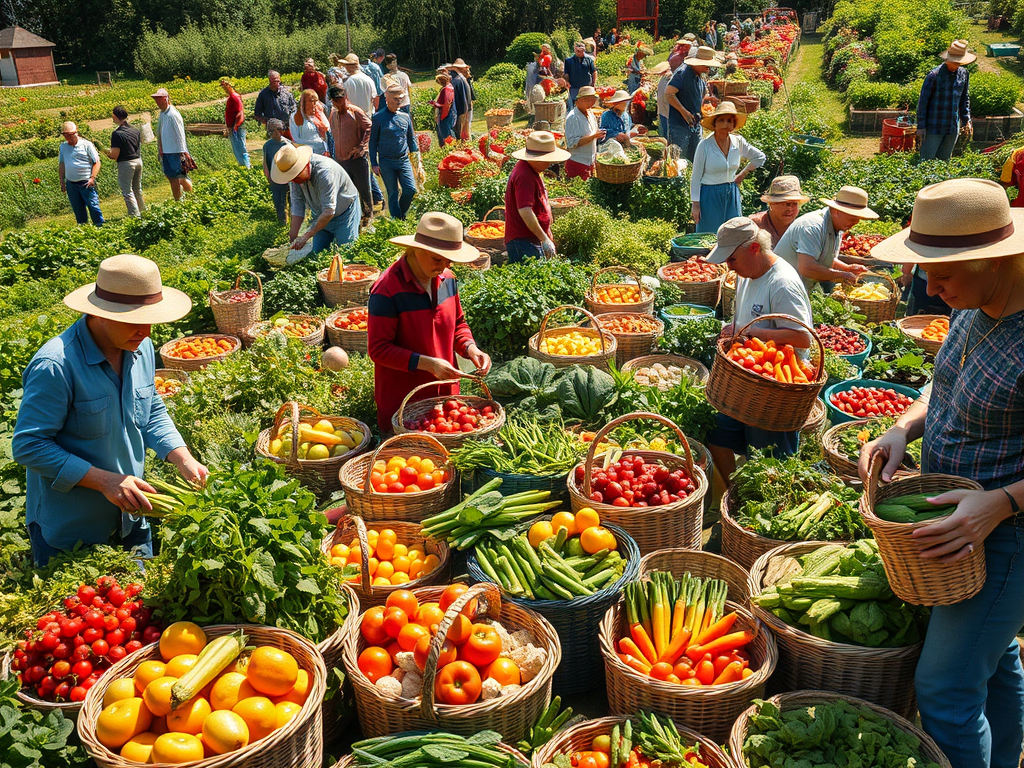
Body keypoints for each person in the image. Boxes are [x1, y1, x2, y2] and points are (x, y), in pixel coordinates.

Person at [857, 178, 1024, 768]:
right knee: (995, 660)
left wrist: (1002, 503)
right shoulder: (975, 307)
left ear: (992, 260)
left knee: (945, 690)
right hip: (954, 527)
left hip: (1001, 539)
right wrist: (902, 426)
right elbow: (943, 385)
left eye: (943, 274)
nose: (930, 286)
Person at [12, 254, 208, 567]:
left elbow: (151, 406)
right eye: (134, 320)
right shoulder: (56, 366)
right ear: (101, 314)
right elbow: (28, 446)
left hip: (132, 515)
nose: (145, 330)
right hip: (72, 531)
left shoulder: (138, 345)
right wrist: (106, 482)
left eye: (150, 319)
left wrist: (182, 457)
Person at [703, 217, 813, 480]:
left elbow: (803, 338)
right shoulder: (746, 273)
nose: (729, 266)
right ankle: (736, 491)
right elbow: (744, 317)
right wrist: (734, 329)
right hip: (747, 381)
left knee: (770, 463)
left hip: (776, 390)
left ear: (753, 248)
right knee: (715, 432)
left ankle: (765, 505)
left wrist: (752, 332)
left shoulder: (782, 283)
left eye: (731, 259)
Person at [367, 212, 492, 433]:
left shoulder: (447, 279)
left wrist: (470, 348)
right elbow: (379, 349)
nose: (443, 266)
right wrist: (429, 364)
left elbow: (458, 324)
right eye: (437, 259)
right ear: (415, 250)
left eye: (448, 260)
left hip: (446, 400)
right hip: (405, 400)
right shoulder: (387, 289)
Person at [775, 186, 876, 292]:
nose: (856, 223)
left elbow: (824, 259)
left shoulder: (837, 227)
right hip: (779, 289)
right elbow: (807, 268)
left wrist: (847, 268)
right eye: (852, 218)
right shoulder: (812, 226)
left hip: (796, 288)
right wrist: (841, 275)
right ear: (836, 211)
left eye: (858, 219)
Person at [690, 101, 765, 234]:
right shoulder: (705, 145)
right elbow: (695, 176)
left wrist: (743, 174)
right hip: (709, 194)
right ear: (715, 123)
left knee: (734, 232)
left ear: (734, 124)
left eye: (730, 121)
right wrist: (695, 204)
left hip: (731, 192)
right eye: (722, 120)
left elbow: (759, 157)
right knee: (709, 234)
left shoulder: (738, 142)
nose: (726, 124)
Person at [273, 142, 361, 255]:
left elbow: (329, 211)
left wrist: (306, 236)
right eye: (291, 178)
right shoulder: (295, 178)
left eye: (296, 176)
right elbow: (297, 204)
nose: (295, 181)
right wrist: (293, 234)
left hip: (344, 213)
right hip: (320, 213)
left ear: (304, 165)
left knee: (347, 253)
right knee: (317, 254)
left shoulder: (325, 173)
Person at [503, 131, 570, 263]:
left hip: (530, 239)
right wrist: (543, 238)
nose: (549, 164)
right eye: (547, 160)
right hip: (523, 241)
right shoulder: (524, 176)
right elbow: (525, 211)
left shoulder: (532, 170)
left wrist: (546, 234)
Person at [917, 40, 974, 162]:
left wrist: (966, 119)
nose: (956, 64)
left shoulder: (964, 74)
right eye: (954, 61)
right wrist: (921, 126)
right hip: (934, 126)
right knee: (927, 160)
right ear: (947, 59)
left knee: (944, 160)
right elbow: (923, 102)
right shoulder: (934, 75)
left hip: (952, 127)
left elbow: (964, 98)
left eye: (959, 62)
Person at [370, 84, 419, 220]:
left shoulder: (405, 117)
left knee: (410, 189)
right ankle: (398, 221)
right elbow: (373, 142)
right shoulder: (378, 118)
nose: (398, 102)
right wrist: (374, 163)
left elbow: (411, 139)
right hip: (386, 161)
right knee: (392, 192)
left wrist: (417, 159)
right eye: (395, 99)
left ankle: (399, 216)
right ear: (387, 99)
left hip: (403, 160)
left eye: (400, 99)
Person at [665, 46, 721, 162]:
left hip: (695, 124)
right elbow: (669, 94)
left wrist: (709, 99)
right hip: (680, 125)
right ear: (697, 63)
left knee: (695, 157)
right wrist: (684, 112)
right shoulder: (683, 73)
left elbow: (694, 95)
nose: (708, 68)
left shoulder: (698, 76)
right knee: (679, 159)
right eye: (705, 65)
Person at [329, 85, 374, 228]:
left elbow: (369, 127)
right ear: (332, 101)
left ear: (345, 97)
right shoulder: (333, 114)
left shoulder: (355, 112)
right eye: (336, 100)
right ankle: (354, 219)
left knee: (364, 189)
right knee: (348, 191)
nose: (340, 102)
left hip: (357, 159)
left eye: (342, 99)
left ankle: (368, 219)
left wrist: (362, 146)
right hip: (341, 160)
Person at [58, 121, 104, 226]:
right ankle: (83, 228)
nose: (67, 138)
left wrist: (92, 178)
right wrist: (62, 180)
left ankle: (100, 225)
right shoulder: (63, 147)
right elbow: (62, 164)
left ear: (75, 133)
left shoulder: (86, 145)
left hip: (86, 182)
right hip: (71, 184)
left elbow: (96, 162)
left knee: (93, 206)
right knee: (78, 208)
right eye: (65, 135)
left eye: (69, 135)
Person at [152, 88, 193, 202]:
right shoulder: (162, 114)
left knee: (174, 178)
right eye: (156, 100)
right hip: (166, 151)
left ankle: (178, 201)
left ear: (166, 99)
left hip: (175, 151)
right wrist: (160, 148)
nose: (157, 103)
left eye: (159, 100)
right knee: (173, 177)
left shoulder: (173, 114)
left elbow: (180, 134)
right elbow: (160, 133)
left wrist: (183, 152)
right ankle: (187, 192)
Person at [103, 107, 144, 218]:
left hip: (126, 163)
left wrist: (105, 151)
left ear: (116, 117)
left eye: (113, 116)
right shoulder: (135, 130)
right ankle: (143, 211)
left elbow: (115, 155)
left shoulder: (117, 134)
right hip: (138, 161)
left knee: (127, 191)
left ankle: (134, 215)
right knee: (137, 189)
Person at [748, 175, 809, 248]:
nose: (790, 209)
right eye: (786, 204)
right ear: (771, 203)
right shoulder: (754, 224)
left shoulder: (802, 228)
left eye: (795, 204)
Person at [563, 86, 605, 181]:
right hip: (578, 162)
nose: (592, 103)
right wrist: (593, 136)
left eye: (593, 100)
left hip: (589, 161)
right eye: (589, 101)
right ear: (580, 100)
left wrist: (598, 135)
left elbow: (593, 133)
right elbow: (572, 143)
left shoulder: (590, 114)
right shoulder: (573, 118)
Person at [262, 119, 291, 225]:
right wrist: (268, 176)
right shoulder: (267, 146)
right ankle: (282, 223)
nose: (277, 133)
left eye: (280, 130)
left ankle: (295, 224)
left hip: (288, 178)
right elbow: (265, 163)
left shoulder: (287, 144)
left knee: (293, 201)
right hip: (275, 178)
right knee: (279, 203)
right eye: (273, 131)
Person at [290, 88, 330, 156]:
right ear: (304, 102)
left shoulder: (319, 114)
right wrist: (317, 144)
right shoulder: (296, 116)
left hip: (323, 153)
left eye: (316, 101)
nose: (314, 104)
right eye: (311, 101)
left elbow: (327, 129)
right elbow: (296, 139)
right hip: (306, 153)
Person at [220, 79, 250, 169]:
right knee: (238, 146)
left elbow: (238, 113)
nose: (224, 89)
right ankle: (244, 165)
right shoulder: (233, 97)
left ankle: (245, 166)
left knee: (239, 147)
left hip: (236, 126)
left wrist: (232, 127)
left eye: (225, 86)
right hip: (235, 125)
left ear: (230, 86)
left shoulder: (234, 97)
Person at [562, 41, 597, 108]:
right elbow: (566, 73)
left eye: (580, 51)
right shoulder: (569, 61)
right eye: (576, 51)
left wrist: (593, 83)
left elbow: (594, 72)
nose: (578, 53)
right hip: (574, 87)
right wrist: (567, 82)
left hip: (586, 86)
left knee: (587, 105)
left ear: (584, 50)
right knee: (575, 105)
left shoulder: (589, 60)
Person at [429, 72, 457, 145]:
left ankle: (449, 147)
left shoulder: (445, 89)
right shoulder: (450, 87)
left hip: (445, 114)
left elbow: (444, 104)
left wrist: (434, 103)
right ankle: (453, 145)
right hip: (451, 112)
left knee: (446, 133)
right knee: (449, 131)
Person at [447, 62, 472, 141]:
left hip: (461, 109)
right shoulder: (463, 79)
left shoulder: (457, 80)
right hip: (465, 108)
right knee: (465, 130)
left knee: (460, 131)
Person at [452, 59, 475, 139]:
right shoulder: (463, 80)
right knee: (466, 127)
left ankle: (466, 144)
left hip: (466, 108)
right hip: (466, 107)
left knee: (465, 128)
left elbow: (470, 96)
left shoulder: (464, 80)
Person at [651, 61, 673, 133]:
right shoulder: (663, 78)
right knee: (663, 130)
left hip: (667, 109)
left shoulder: (670, 77)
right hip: (662, 108)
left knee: (667, 131)